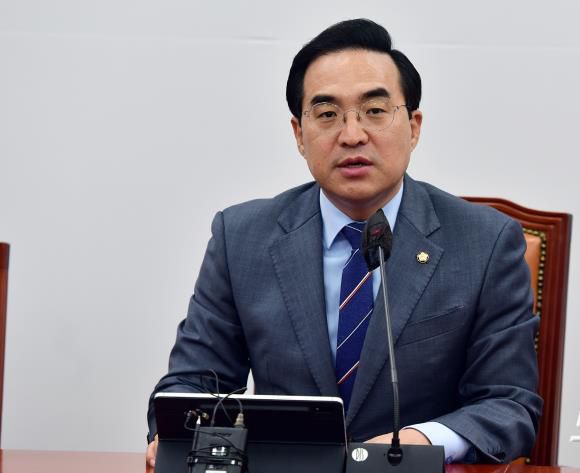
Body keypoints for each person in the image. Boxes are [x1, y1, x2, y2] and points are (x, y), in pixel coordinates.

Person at [146, 18, 542, 466]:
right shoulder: (241, 238)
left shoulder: (485, 243)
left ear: (413, 127)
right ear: (299, 134)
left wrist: (422, 440)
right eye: (327, 114)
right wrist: (174, 433)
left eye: (375, 111)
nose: (352, 135)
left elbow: (509, 404)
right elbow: (192, 384)